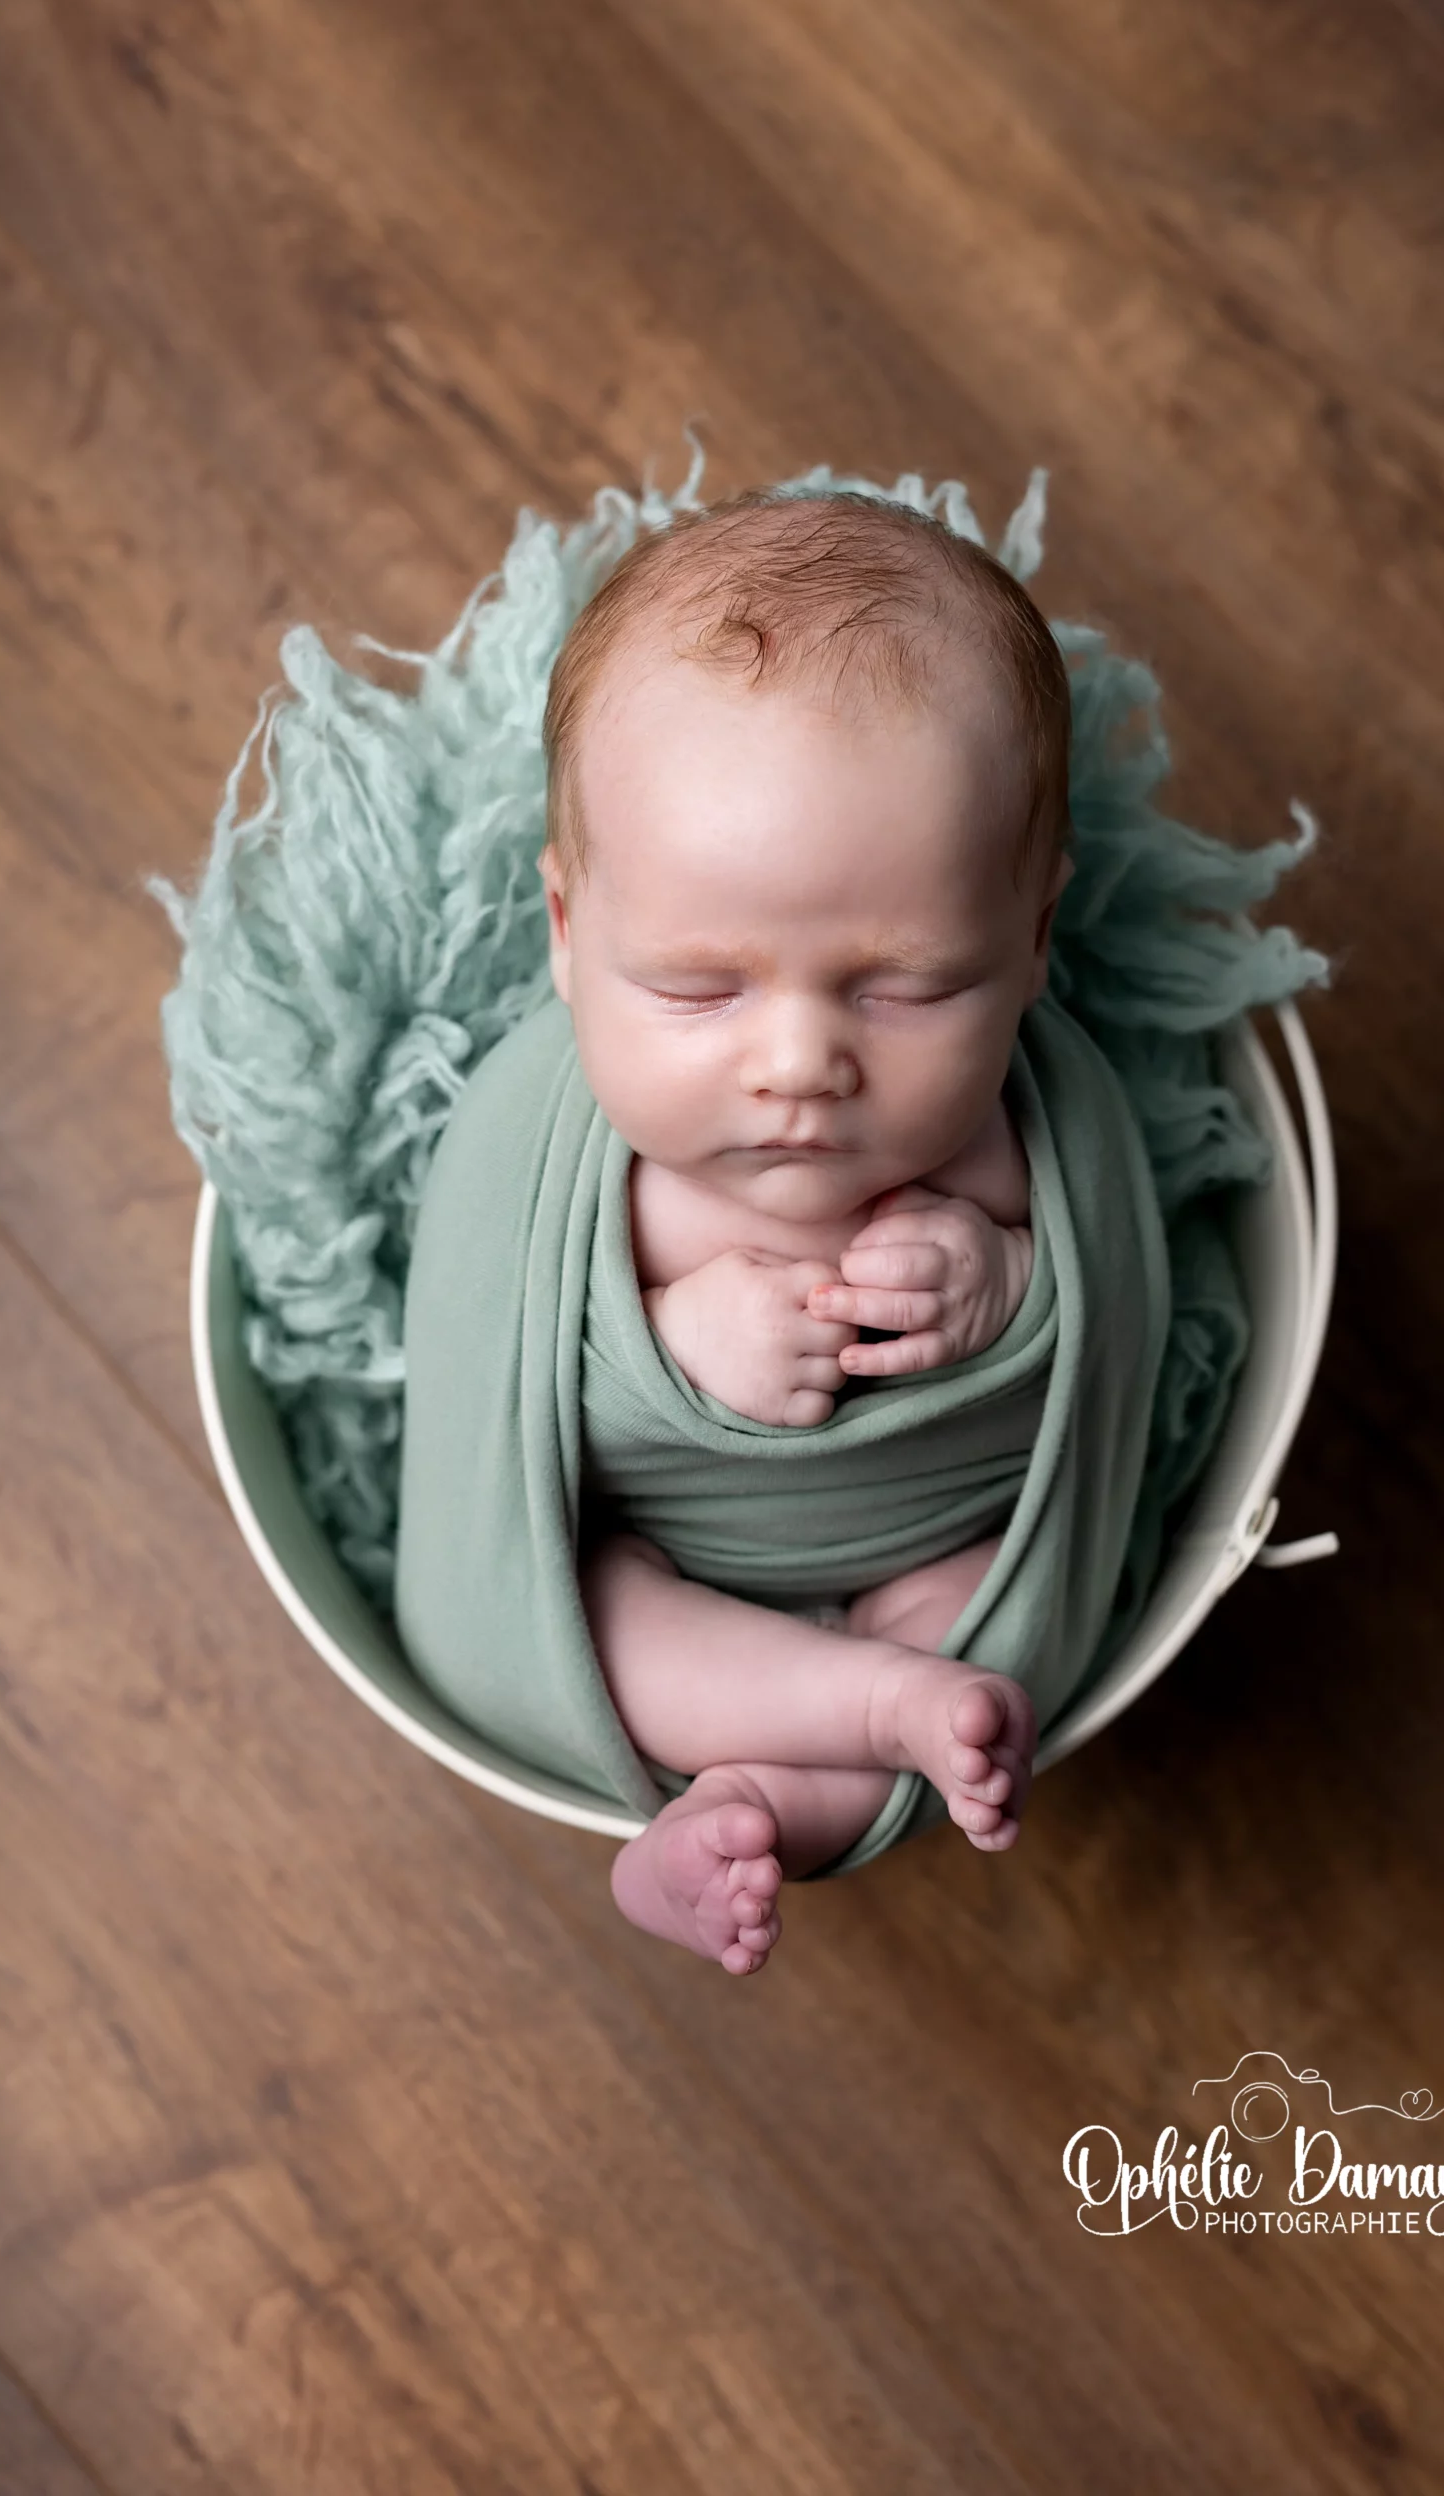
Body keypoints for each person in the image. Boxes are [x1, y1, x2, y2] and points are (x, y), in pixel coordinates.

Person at [530, 488, 1086, 1972]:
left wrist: (998, 1289)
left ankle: (762, 1802)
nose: (796, 1063)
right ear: (568, 929)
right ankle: (855, 1718)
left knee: (988, 1636)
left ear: (1034, 934)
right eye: (702, 990)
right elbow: (514, 1363)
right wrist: (673, 1342)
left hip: (929, 1534)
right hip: (656, 1544)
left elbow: (1109, 1306)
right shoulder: (590, 1174)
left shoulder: (1012, 1145)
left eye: (901, 989)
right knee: (592, 1616)